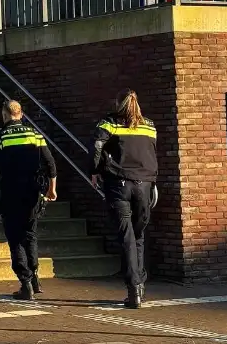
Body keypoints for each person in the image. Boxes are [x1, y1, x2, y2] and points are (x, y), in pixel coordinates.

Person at [0, 100, 57, 300]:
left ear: (5, 115)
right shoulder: (35, 134)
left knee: (14, 238)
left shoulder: (1, 137)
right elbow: (50, 163)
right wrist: (52, 189)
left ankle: (25, 284)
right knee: (30, 233)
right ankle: (35, 276)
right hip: (32, 192)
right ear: (20, 114)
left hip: (10, 193)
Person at [92, 89, 158, 309]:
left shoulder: (109, 123)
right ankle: (139, 286)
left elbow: (97, 146)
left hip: (119, 184)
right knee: (138, 235)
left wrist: (95, 170)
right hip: (145, 185)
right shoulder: (149, 125)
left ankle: (133, 289)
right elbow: (152, 152)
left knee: (127, 237)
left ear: (117, 102)